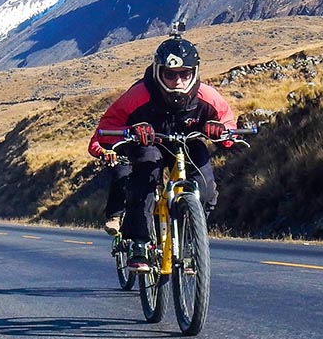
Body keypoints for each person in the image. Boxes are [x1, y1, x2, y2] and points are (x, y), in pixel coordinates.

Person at [87, 28, 236, 272]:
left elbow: (229, 129)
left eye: (185, 74)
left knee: (206, 189)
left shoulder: (208, 96)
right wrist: (133, 130)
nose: (178, 81)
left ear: (195, 72)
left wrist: (219, 129)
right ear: (158, 72)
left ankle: (191, 242)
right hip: (149, 146)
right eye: (170, 74)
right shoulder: (138, 95)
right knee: (144, 177)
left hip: (189, 144)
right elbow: (106, 129)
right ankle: (139, 243)